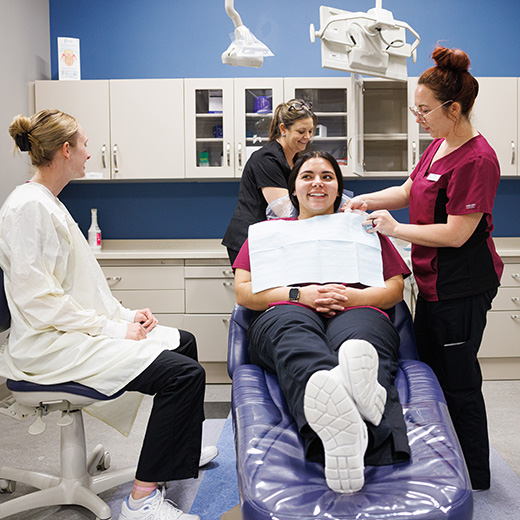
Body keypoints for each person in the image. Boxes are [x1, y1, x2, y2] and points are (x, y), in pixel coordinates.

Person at [1, 109, 217, 520]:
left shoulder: (47, 202)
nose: (89, 151)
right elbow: (39, 301)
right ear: (66, 150)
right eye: (84, 144)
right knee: (184, 374)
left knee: (183, 342)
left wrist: (127, 315)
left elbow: (78, 287)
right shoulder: (28, 208)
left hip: (65, 333)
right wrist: (112, 329)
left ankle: (176, 455)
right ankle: (141, 500)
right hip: (46, 347)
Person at [345, 46, 503, 491]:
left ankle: (475, 476)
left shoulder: (478, 159)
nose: (418, 117)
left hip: (462, 286)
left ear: (453, 109)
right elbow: (408, 188)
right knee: (428, 375)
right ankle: (442, 461)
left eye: (424, 109)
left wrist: (397, 228)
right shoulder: (439, 146)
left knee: (458, 380)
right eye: (415, 108)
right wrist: (364, 201)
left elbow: (456, 233)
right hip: (433, 282)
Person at [233, 151, 411, 494]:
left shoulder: (364, 228)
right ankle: (343, 408)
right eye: (308, 176)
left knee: (360, 344)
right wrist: (301, 295)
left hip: (357, 309)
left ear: (338, 189)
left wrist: (352, 297)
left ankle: (341, 415)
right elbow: (243, 292)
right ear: (293, 188)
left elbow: (394, 288)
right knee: (295, 337)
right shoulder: (266, 233)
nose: (318, 182)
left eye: (327, 176)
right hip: (288, 309)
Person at [222, 99, 317, 264]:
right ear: (283, 129)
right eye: (301, 131)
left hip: (272, 238)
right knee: (254, 290)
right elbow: (284, 208)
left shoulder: (297, 159)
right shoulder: (266, 159)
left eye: (310, 131)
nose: (307, 137)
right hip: (248, 240)